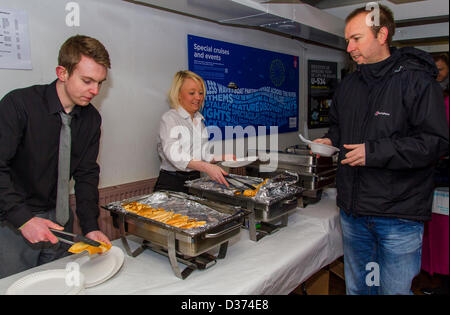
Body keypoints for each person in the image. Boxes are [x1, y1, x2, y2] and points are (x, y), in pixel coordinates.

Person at [313, 5, 449, 294]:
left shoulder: (417, 82)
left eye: (356, 39)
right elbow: (338, 127)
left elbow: (434, 142)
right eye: (347, 40)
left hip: (398, 215)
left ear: (382, 34)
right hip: (353, 213)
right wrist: (329, 141)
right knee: (359, 290)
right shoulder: (349, 85)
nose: (349, 47)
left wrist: (374, 152)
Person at [0, 35, 111, 279]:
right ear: (62, 73)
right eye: (87, 81)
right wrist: (23, 219)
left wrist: (90, 226)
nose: (95, 90)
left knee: (60, 284)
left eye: (100, 83)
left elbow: (86, 175)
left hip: (61, 219)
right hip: (14, 222)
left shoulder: (91, 119)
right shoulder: (19, 105)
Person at [154, 70, 232, 193]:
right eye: (192, 93)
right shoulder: (169, 119)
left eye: (201, 93)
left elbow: (202, 154)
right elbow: (174, 154)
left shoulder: (198, 120)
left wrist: (223, 157)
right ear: (178, 94)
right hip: (172, 182)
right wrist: (206, 167)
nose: (198, 97)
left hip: (195, 180)